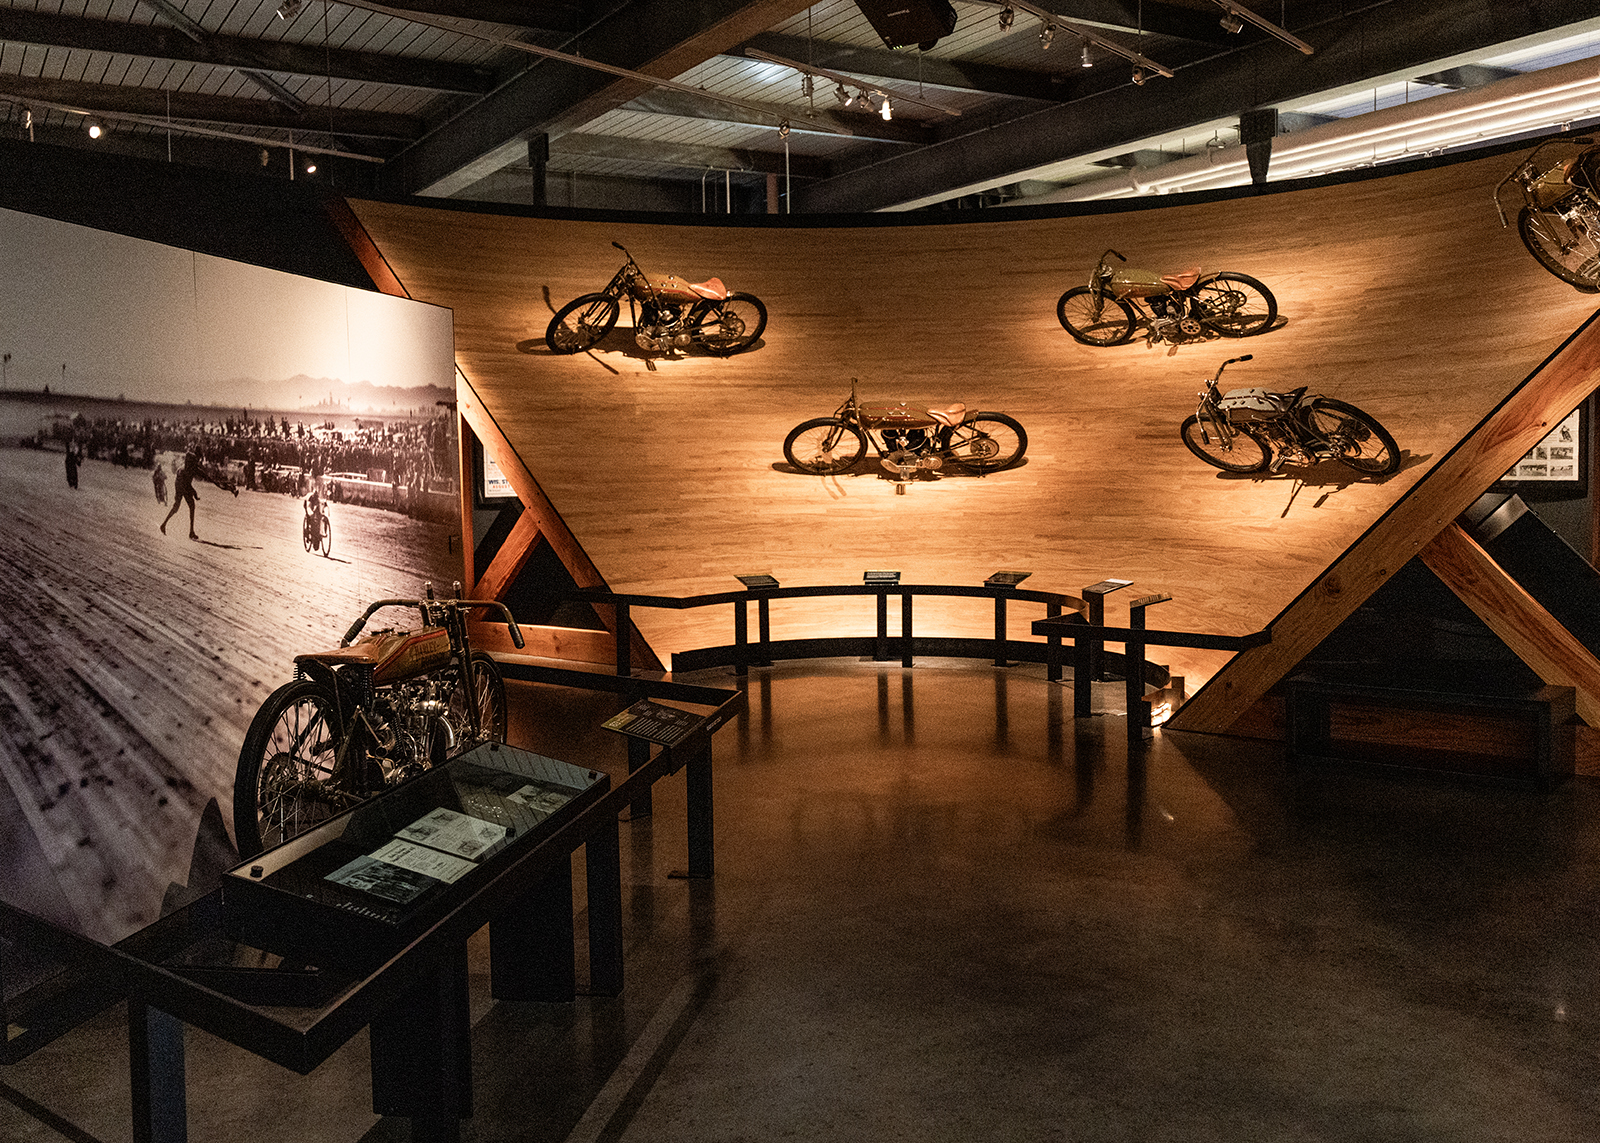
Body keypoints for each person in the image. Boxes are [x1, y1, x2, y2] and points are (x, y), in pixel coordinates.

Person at [160, 451, 236, 540]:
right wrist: (194, 492)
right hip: (180, 486)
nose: (194, 463)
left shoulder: (192, 468)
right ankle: (165, 524)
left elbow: (207, 477)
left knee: (190, 506)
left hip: (185, 485)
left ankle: (190, 531)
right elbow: (185, 485)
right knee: (177, 506)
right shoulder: (182, 471)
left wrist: (222, 485)